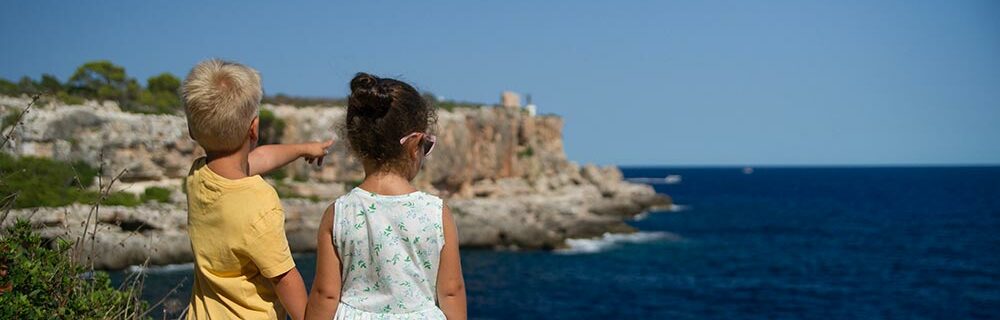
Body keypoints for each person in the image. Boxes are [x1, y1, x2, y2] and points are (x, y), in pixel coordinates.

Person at [304, 73, 467, 319]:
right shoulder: (436, 213)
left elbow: (325, 294)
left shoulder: (338, 213)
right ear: (414, 145)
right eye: (427, 145)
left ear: (356, 143)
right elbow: (451, 291)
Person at [181, 59, 332, 320]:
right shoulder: (259, 202)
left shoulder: (197, 176)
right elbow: (284, 277)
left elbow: (257, 159)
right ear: (255, 128)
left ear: (192, 130)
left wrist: (301, 149)